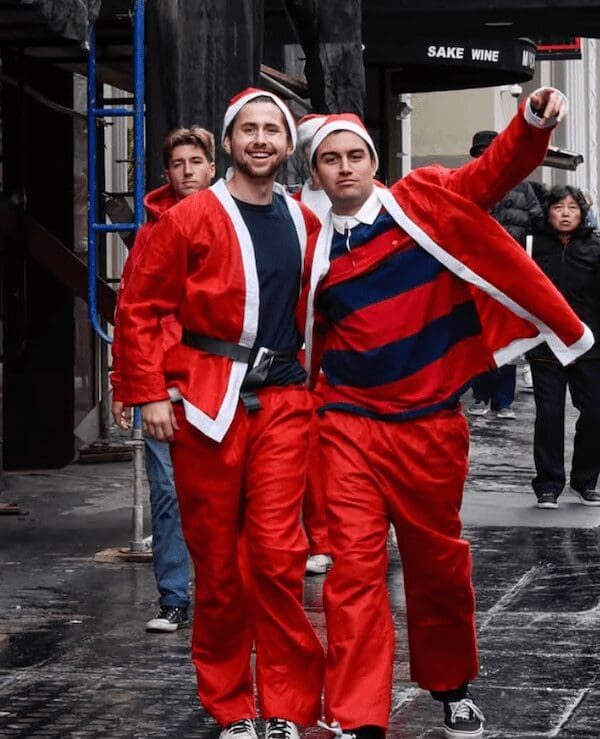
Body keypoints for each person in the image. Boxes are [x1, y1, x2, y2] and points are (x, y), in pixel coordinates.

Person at [300, 89, 592, 739]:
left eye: (355, 155)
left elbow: (494, 173)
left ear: (373, 161)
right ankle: (359, 713)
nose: (345, 167)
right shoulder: (305, 238)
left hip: (429, 424)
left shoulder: (422, 199)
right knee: (352, 572)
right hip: (345, 424)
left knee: (437, 569)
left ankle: (452, 685)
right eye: (330, 159)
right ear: (314, 172)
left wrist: (532, 121)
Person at [117, 89, 325, 739]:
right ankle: (232, 704)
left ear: (287, 145)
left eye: (273, 130)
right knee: (218, 566)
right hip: (206, 405)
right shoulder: (189, 218)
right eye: (249, 129)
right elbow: (140, 308)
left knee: (278, 557)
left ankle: (287, 705)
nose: (261, 140)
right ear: (229, 142)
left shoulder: (304, 220)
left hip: (285, 401)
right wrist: (150, 392)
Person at [111, 125, 216, 632]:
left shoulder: (231, 219)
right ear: (167, 173)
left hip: (220, 382)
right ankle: (174, 597)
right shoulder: (153, 232)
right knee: (169, 494)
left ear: (212, 167)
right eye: (178, 164)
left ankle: (223, 599)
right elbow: (130, 308)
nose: (187, 171)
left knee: (223, 497)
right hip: (164, 385)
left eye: (195, 162)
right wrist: (123, 382)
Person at [526, 184, 600, 510]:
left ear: (582, 213)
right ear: (548, 212)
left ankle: (584, 481)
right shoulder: (532, 246)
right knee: (550, 415)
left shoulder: (595, 247)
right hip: (546, 344)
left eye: (572, 208)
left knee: (595, 413)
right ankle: (548, 485)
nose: (566, 214)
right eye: (558, 207)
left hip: (589, 346)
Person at [466, 130, 544, 420]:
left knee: (508, 334)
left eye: (489, 151)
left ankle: (503, 400)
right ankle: (481, 395)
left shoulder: (521, 186)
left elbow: (538, 222)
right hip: (477, 270)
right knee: (479, 334)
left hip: (511, 271)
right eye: (480, 153)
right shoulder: (467, 182)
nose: (485, 157)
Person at [295, 114, 334, 576]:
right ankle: (318, 537)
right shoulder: (291, 207)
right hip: (303, 349)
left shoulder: (377, 201)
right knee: (309, 453)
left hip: (356, 348)